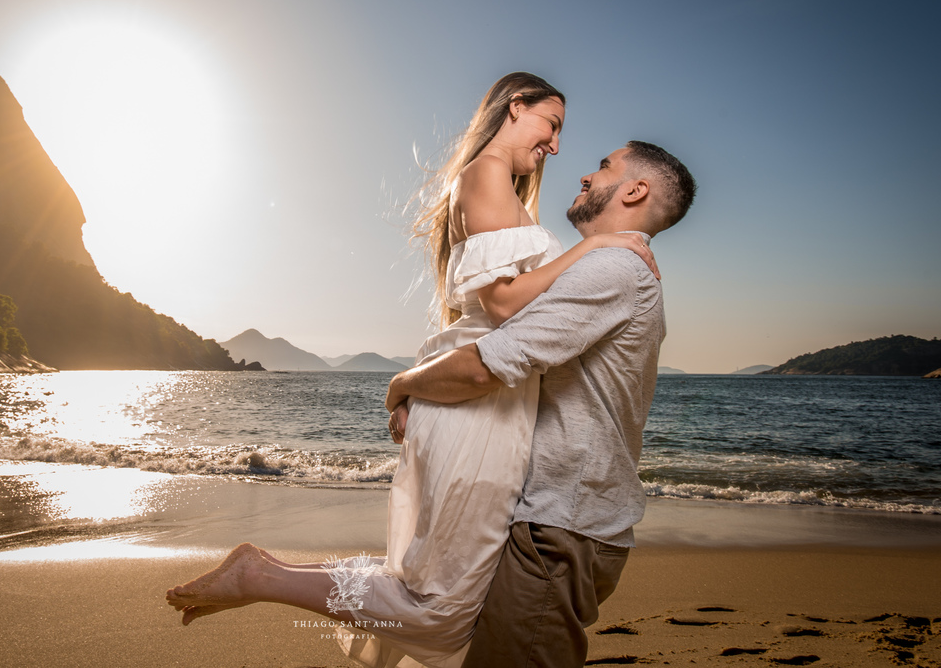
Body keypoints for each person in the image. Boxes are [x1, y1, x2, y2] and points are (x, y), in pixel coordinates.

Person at [165, 73, 655, 667]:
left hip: (493, 408)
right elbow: (502, 304)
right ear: (515, 107)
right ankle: (259, 577)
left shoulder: (498, 184)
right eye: (551, 124)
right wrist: (594, 248)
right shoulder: (488, 172)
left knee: (440, 593)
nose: (555, 145)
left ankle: (265, 571)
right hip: (481, 407)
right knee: (440, 608)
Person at [385, 140, 697, 667]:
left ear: (636, 190)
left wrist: (402, 384)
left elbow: (490, 363)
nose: (586, 176)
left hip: (560, 530)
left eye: (605, 167)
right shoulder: (601, 264)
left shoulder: (615, 270)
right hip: (554, 523)